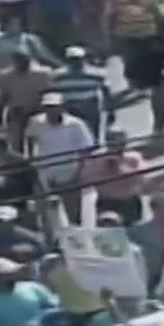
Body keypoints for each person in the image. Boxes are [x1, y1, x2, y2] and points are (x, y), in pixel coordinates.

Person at [27, 92, 96, 223]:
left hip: (70, 172)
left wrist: (79, 173)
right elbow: (30, 138)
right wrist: (32, 161)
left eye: (54, 107)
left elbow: (85, 150)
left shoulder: (76, 124)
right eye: (47, 107)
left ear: (62, 107)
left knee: (73, 214)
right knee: (48, 214)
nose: (51, 110)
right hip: (46, 172)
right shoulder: (36, 122)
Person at [51, 46, 114, 143]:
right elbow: (53, 93)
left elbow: (106, 90)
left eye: (78, 59)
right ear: (67, 60)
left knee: (92, 135)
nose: (76, 62)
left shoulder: (96, 74)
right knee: (72, 135)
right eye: (72, 59)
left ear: (83, 58)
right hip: (70, 107)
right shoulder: (58, 76)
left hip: (89, 106)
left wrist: (110, 109)